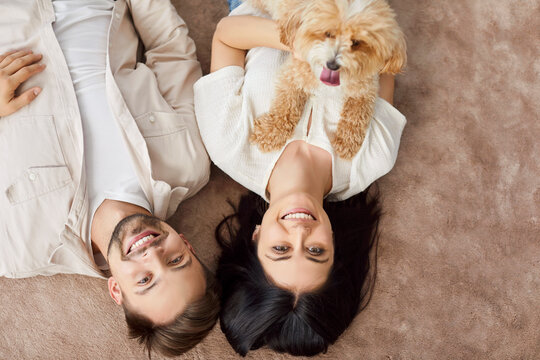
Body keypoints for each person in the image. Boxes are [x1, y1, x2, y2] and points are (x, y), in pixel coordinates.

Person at [0, 0, 218, 357]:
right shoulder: (188, 162)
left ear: (117, 291)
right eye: (176, 260)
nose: (152, 254)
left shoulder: (19, 249)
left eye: (145, 281)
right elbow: (171, 50)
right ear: (187, 245)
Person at [193, 2, 406, 356]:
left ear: (255, 237)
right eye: (315, 251)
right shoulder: (373, 158)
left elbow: (227, 38)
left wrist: (302, 38)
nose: (300, 231)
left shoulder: (227, 144)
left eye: (281, 249)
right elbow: (384, 64)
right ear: (334, 246)